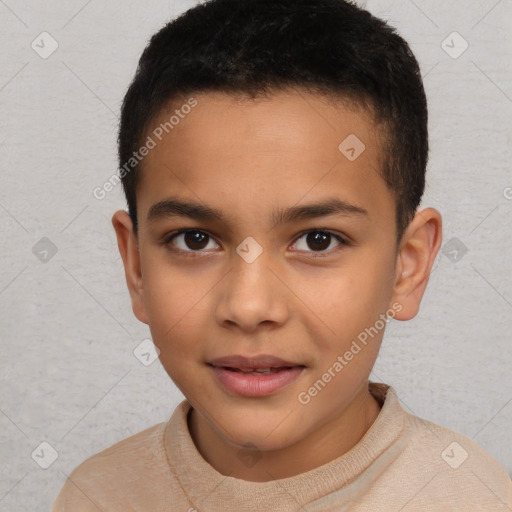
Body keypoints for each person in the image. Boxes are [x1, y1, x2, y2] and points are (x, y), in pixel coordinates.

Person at [53, 0, 512, 510]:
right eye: (195, 240)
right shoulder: (95, 496)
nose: (249, 307)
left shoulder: (478, 498)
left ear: (408, 265)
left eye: (318, 240)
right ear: (136, 266)